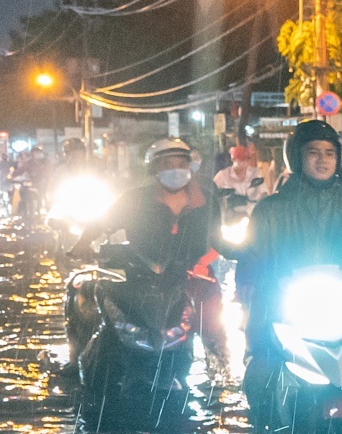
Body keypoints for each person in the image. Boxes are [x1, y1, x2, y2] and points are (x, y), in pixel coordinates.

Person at [237, 120, 342, 377]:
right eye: (313, 152)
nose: (322, 161)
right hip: (286, 307)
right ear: (297, 156)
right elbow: (253, 257)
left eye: (329, 153)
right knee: (261, 369)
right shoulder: (271, 209)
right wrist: (258, 279)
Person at [74, 137, 227, 361]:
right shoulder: (134, 200)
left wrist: (204, 263)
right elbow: (101, 223)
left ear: (190, 167)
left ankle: (220, 368)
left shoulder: (205, 202)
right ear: (154, 169)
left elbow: (217, 241)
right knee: (99, 307)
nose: (175, 170)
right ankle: (85, 359)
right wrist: (82, 243)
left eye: (181, 164)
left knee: (213, 325)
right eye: (168, 165)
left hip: (192, 274)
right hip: (141, 275)